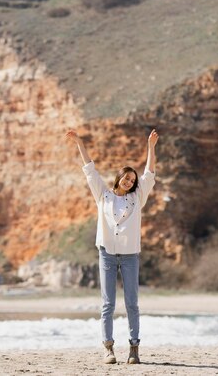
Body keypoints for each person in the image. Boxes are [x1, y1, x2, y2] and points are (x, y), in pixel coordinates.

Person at [65, 128, 159, 365]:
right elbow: (89, 170)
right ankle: (108, 349)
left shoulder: (138, 198)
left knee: (132, 304)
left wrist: (151, 147)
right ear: (119, 178)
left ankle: (134, 349)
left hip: (130, 257)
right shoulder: (103, 195)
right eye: (127, 178)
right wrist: (79, 142)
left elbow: (150, 173)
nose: (129, 182)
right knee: (107, 304)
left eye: (132, 180)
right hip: (106, 254)